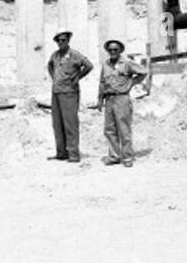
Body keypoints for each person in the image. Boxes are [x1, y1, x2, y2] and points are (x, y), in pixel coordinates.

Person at [46, 30, 93, 163]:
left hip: (69, 92)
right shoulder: (55, 55)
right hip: (56, 92)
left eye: (63, 40)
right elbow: (50, 65)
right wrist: (54, 78)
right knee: (57, 124)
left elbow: (89, 66)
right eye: (59, 40)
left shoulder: (74, 54)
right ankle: (61, 152)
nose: (61, 42)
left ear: (68, 41)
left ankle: (73, 154)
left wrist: (77, 77)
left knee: (70, 124)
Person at [96, 39, 145, 167]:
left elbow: (143, 72)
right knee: (109, 129)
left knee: (124, 129)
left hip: (122, 99)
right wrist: (100, 100)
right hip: (109, 99)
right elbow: (102, 83)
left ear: (120, 51)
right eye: (110, 50)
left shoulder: (127, 63)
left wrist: (131, 83)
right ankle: (114, 156)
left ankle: (127, 157)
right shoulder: (106, 64)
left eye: (115, 50)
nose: (112, 52)